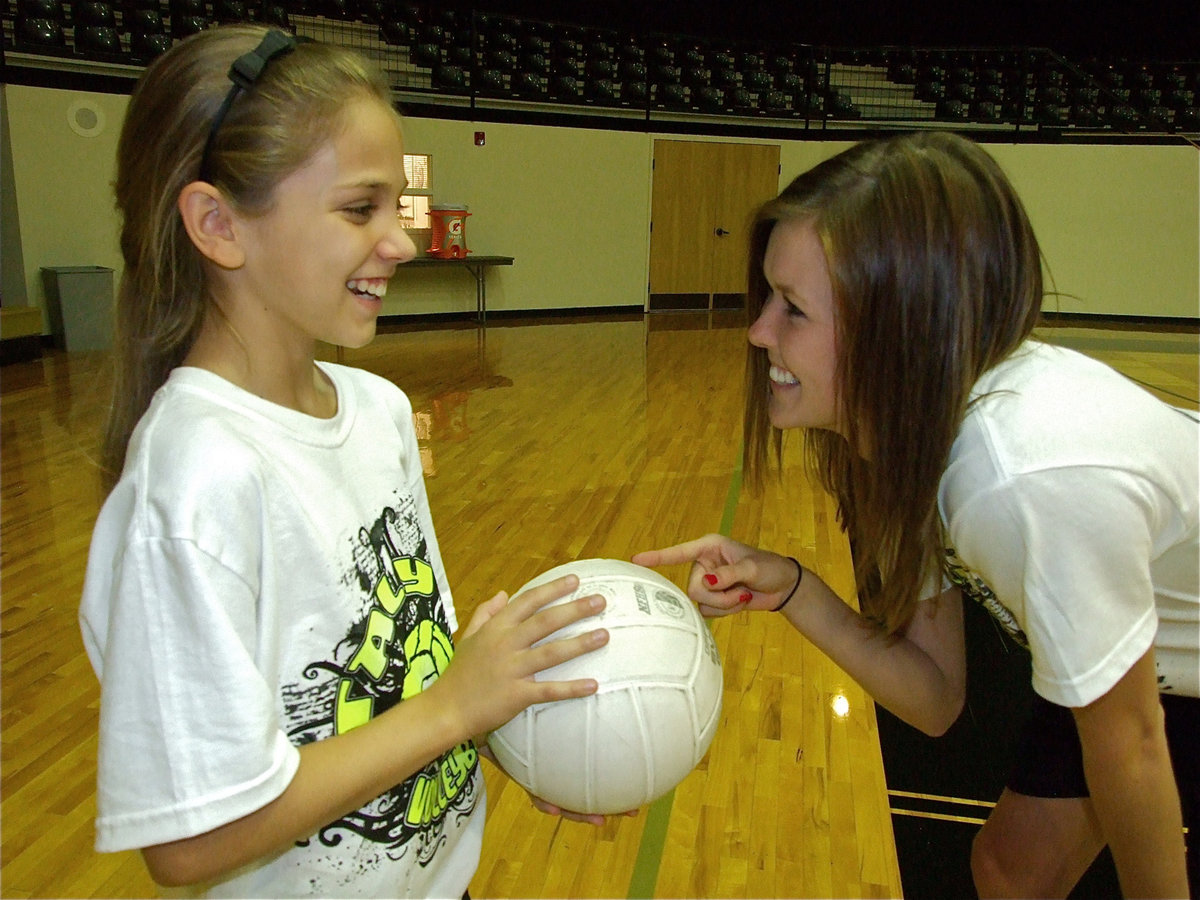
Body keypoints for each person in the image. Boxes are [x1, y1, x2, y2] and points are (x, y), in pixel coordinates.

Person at [79, 25, 614, 897]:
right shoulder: (196, 482)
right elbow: (190, 843)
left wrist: (496, 724)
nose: (401, 242)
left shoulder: (379, 412)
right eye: (359, 210)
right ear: (218, 225)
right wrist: (452, 707)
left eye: (393, 210)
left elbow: (398, 674)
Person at [634, 131, 1198, 899]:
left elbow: (1131, 747)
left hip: (1169, 672)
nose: (758, 331)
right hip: (1156, 657)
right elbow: (934, 698)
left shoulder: (1019, 479)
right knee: (1009, 872)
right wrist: (792, 587)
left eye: (792, 309)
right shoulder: (901, 441)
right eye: (769, 297)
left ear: (897, 329)